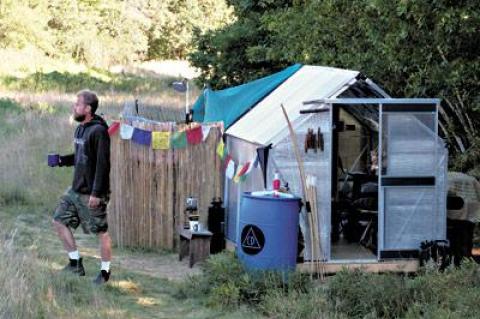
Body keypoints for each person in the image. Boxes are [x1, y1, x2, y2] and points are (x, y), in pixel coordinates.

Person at [52, 90, 112, 284]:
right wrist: (61, 160)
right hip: (75, 190)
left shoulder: (99, 131)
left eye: (77, 104)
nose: (74, 107)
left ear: (88, 109)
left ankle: (105, 273)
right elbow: (80, 157)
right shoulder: (80, 129)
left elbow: (103, 165)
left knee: (101, 232)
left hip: (92, 193)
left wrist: (96, 193)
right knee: (59, 220)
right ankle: (75, 263)